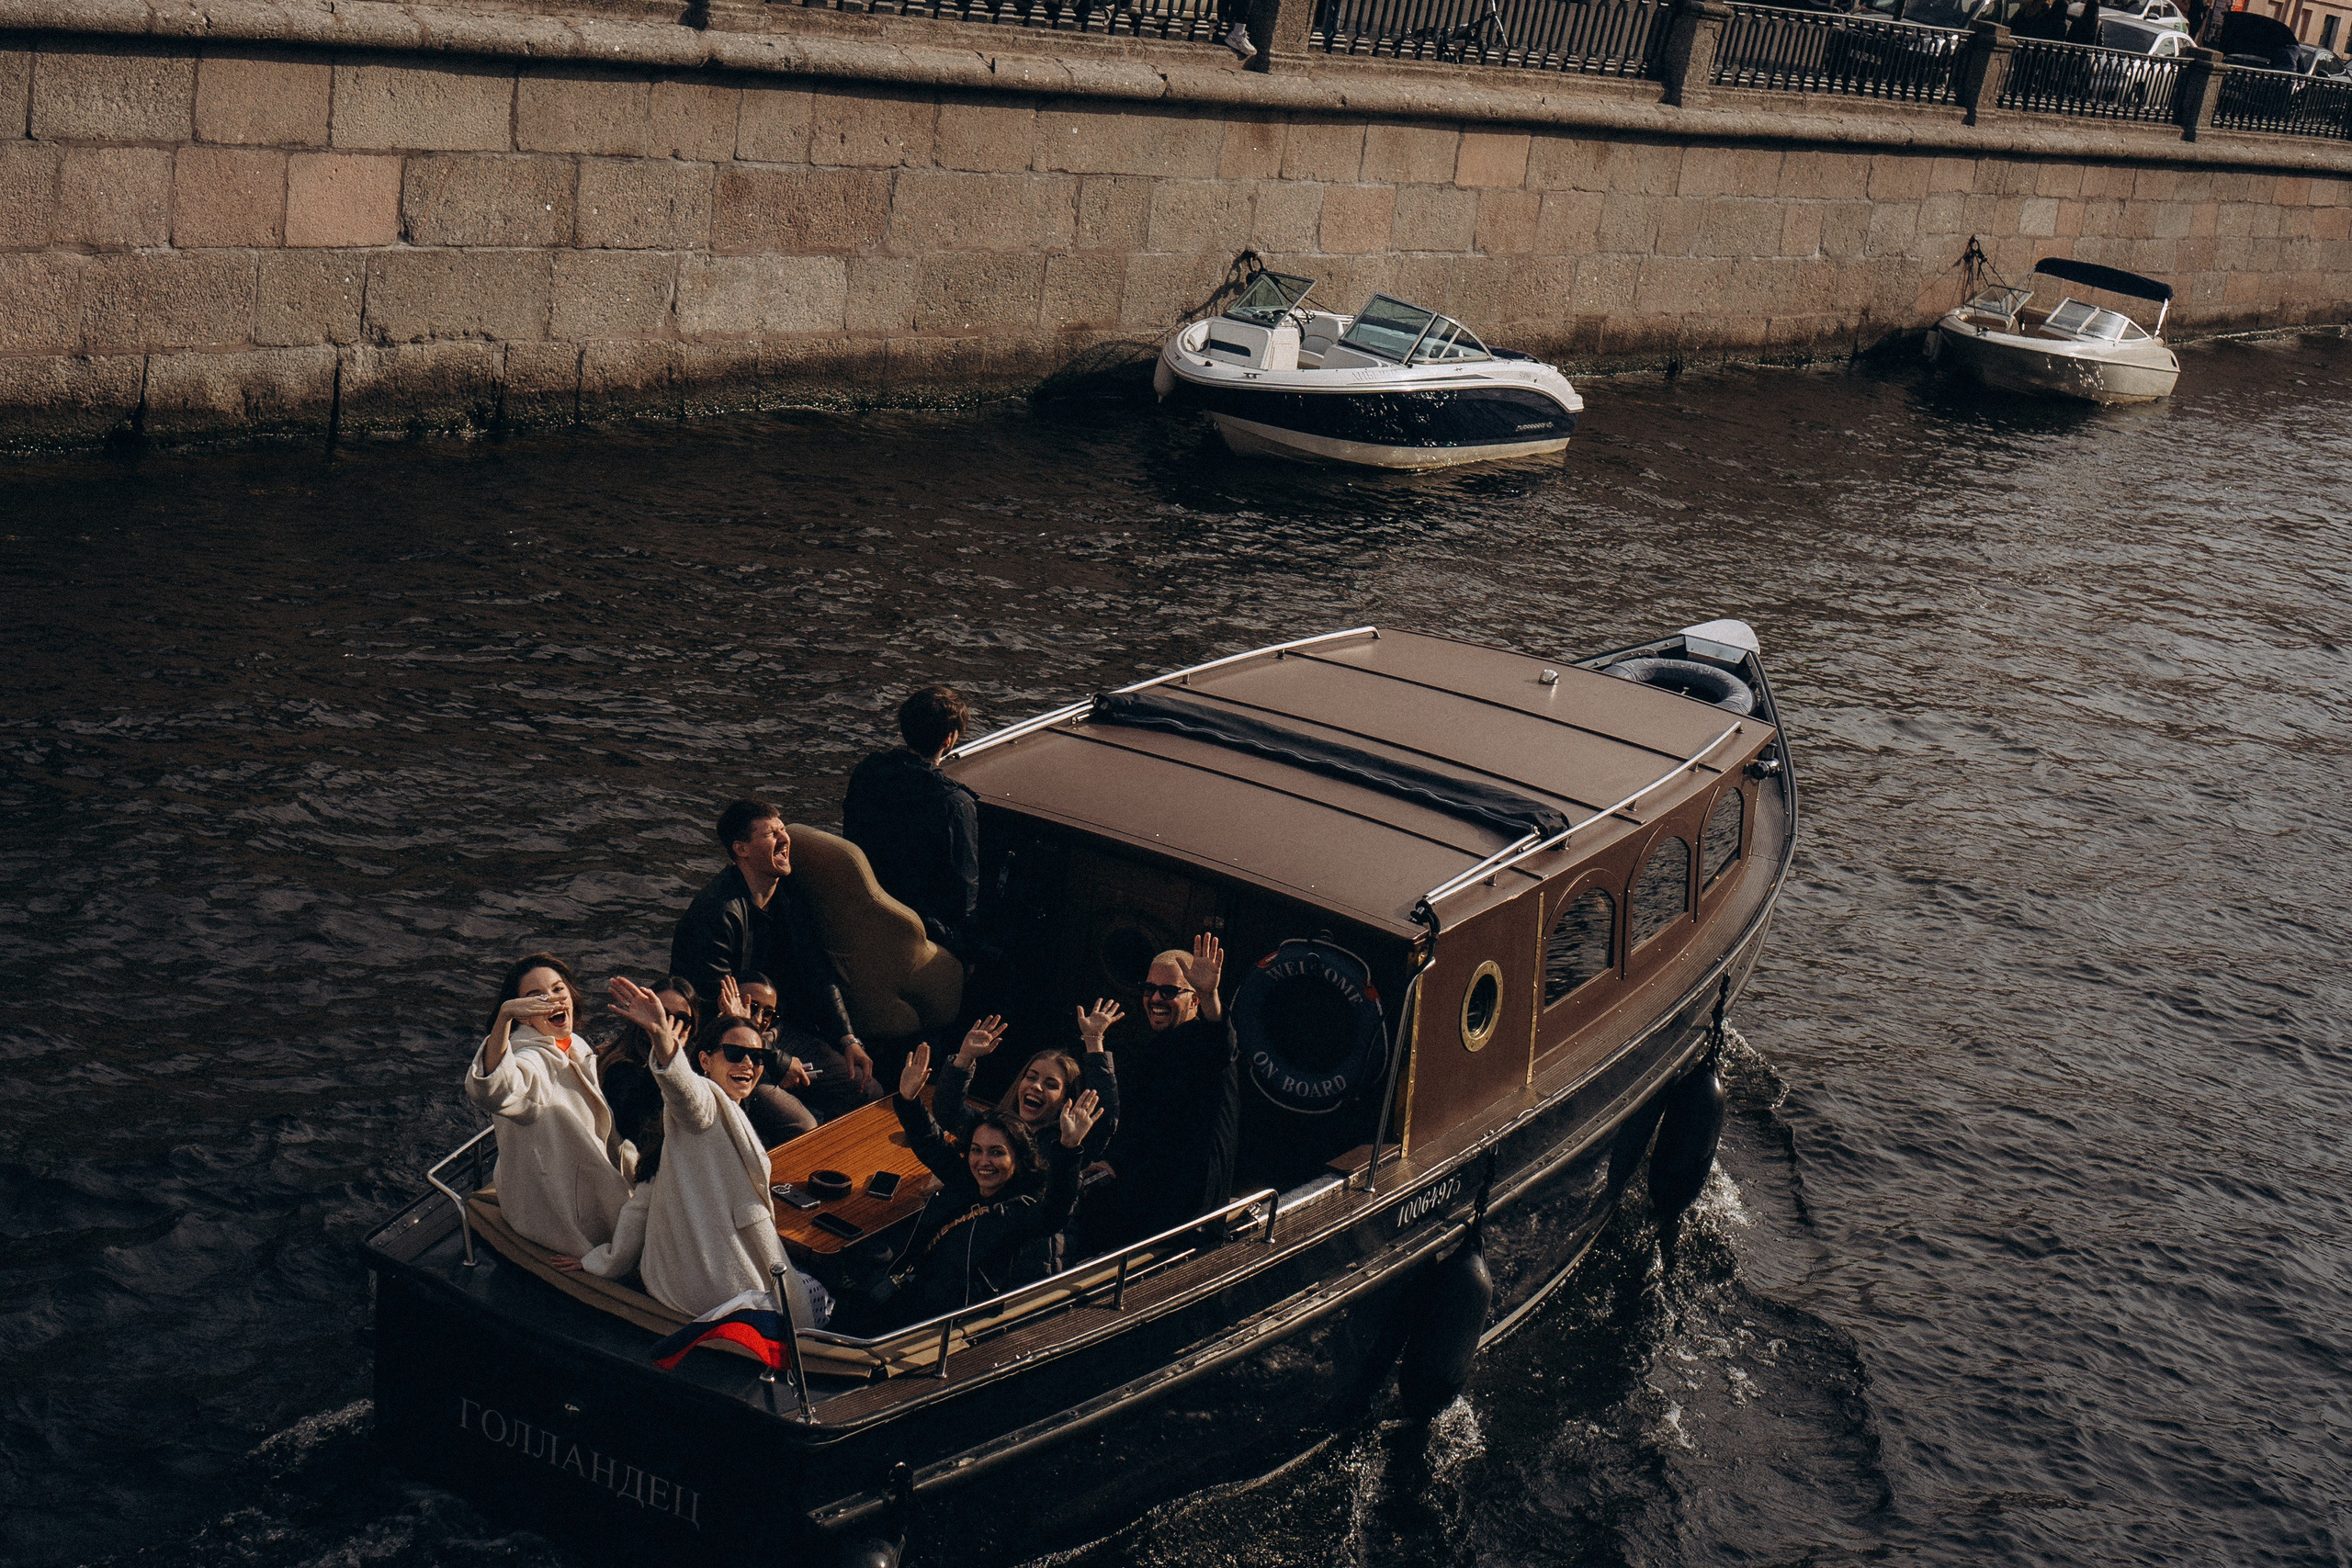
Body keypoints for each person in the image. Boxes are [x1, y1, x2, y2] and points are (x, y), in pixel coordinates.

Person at [558, 980, 827, 1326]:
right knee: (820, 1295)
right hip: (720, 1288)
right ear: (704, 1060)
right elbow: (685, 1092)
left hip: (679, 1281)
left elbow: (642, 1203)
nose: (748, 1063)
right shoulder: (703, 1107)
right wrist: (663, 1039)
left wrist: (604, 1261)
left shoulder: (707, 1120)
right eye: (734, 1053)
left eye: (758, 1057)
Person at [671, 798, 876, 1103]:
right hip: (729, 1047)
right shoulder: (715, 914)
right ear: (742, 849)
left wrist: (848, 1039)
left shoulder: (790, 896)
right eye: (771, 833)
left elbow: (818, 973)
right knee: (799, 1123)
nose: (784, 838)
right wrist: (775, 1060)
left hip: (777, 1027)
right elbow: (711, 1013)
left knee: (866, 1088)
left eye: (783, 829)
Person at [883, 1042, 1102, 1324]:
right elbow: (932, 1144)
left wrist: (1069, 1148)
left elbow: (1056, 1211)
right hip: (917, 1297)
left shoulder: (1016, 1211)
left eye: (997, 1153)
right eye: (977, 1150)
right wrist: (909, 1100)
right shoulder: (968, 1181)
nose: (984, 1162)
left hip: (957, 1321)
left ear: (1018, 1159)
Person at [463, 953, 633, 1257]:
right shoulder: (529, 1060)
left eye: (558, 989)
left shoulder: (574, 1043)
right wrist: (503, 1018)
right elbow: (494, 1091)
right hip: (559, 1209)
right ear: (523, 1016)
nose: (553, 999)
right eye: (537, 997)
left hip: (587, 1176)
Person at [1095, 933, 1239, 1251]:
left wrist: (1211, 996)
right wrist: (1113, 1160)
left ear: (1194, 1001)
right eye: (1149, 989)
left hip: (1186, 1221)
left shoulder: (1202, 1043)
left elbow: (1221, 1042)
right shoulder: (1156, 1049)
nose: (1156, 998)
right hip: (1146, 1205)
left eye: (1169, 991)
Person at [842, 685, 980, 962]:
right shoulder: (956, 805)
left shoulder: (868, 772)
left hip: (865, 912)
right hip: (921, 932)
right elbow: (965, 897)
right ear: (949, 739)